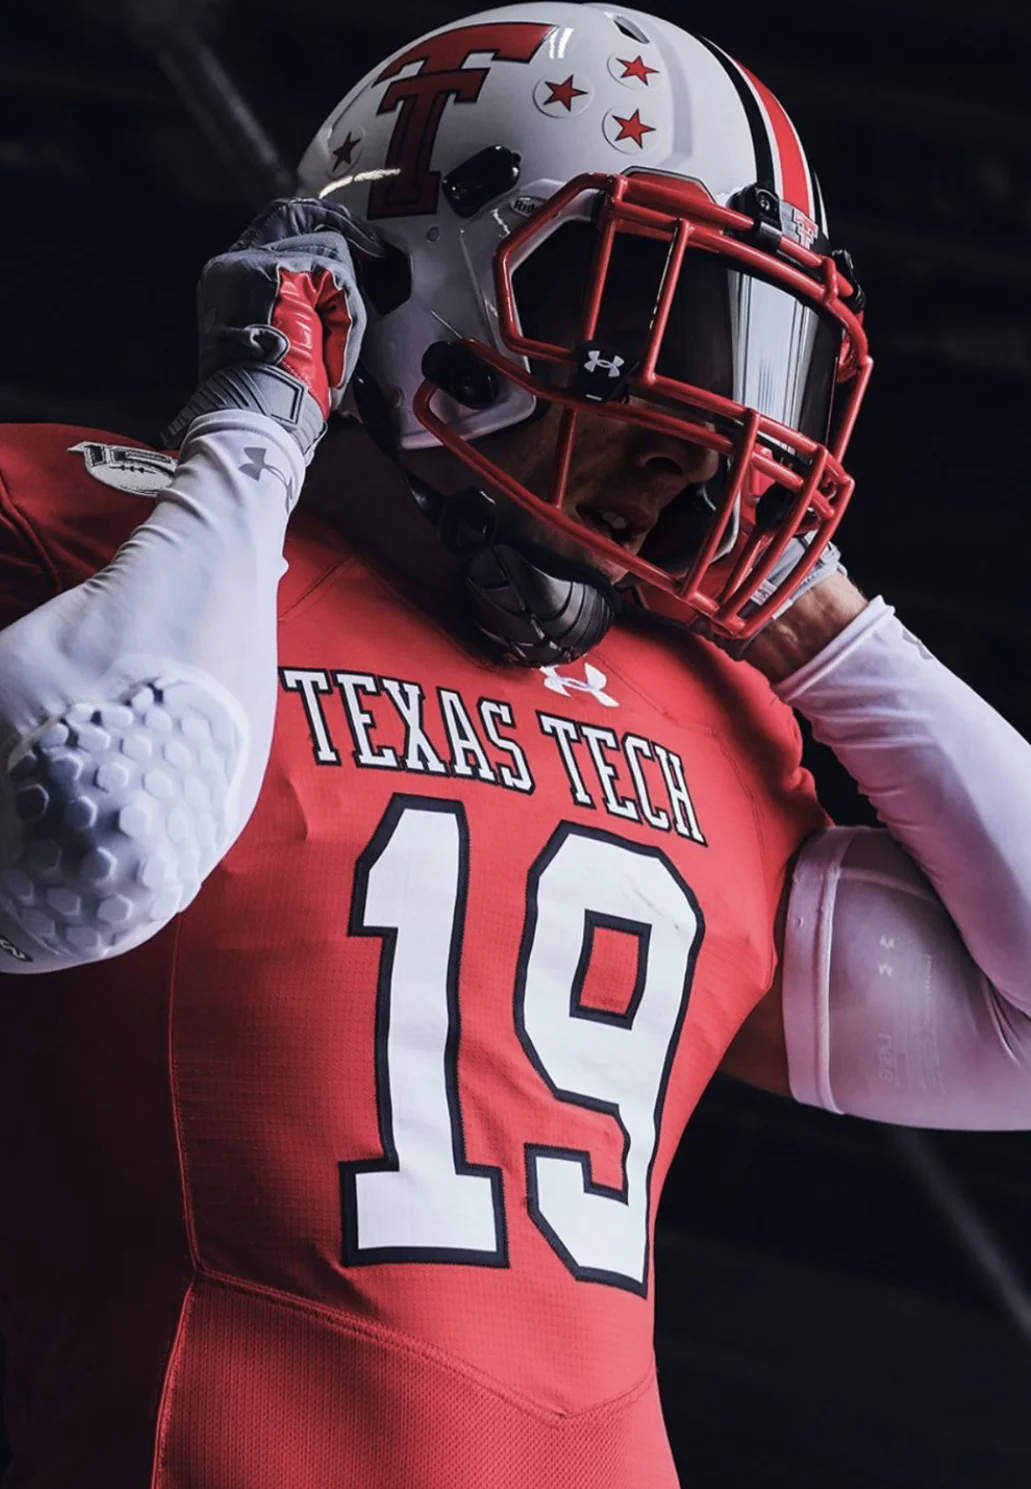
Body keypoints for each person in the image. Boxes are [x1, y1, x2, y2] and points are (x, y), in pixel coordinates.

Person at [0, 4, 1028, 1486]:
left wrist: (830, 637)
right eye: (651, 324)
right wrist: (255, 427)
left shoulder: (703, 715)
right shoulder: (84, 534)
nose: (701, 434)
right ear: (404, 285)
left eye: (752, 354)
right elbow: (80, 840)